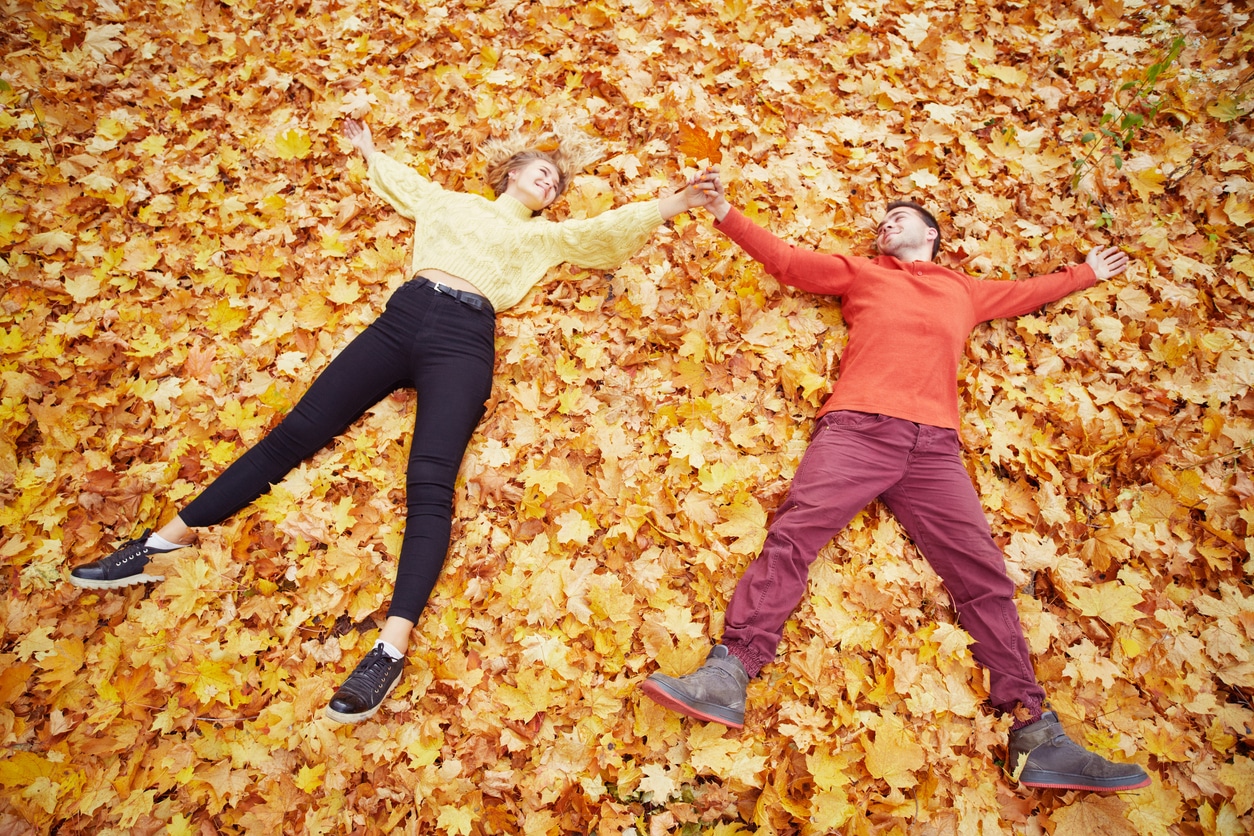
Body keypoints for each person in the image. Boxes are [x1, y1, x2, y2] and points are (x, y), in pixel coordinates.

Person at [70, 119, 715, 724]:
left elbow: (600, 234)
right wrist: (370, 149)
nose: (549, 182)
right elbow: (403, 181)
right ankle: (160, 545)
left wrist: (672, 205)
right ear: (510, 170)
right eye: (540, 170)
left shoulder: (542, 237)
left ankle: (390, 651)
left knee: (430, 482)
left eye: (557, 183)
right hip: (400, 321)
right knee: (295, 434)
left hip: (464, 342)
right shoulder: (450, 203)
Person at [641, 170, 1151, 793]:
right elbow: (789, 262)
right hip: (859, 431)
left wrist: (1086, 273)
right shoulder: (864, 273)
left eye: (900, 217)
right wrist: (725, 212)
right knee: (794, 537)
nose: (887, 224)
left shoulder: (963, 290)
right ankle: (728, 673)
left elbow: (1026, 292)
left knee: (983, 574)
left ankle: (1034, 731)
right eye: (882, 221)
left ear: (932, 234)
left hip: (934, 450)